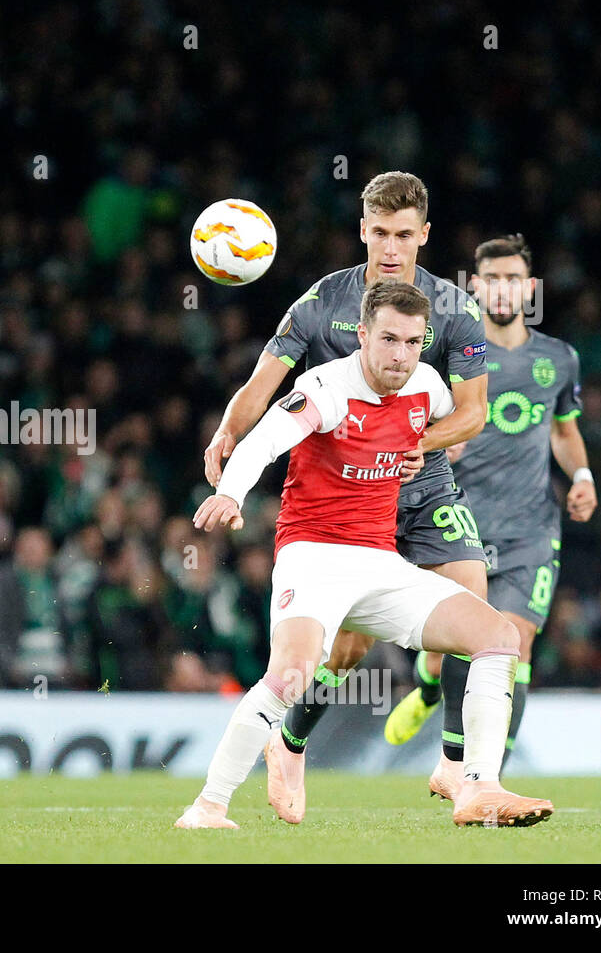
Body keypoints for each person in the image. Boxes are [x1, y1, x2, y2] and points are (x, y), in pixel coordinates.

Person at [176, 280, 552, 828]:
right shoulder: (325, 388)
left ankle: (478, 787)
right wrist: (231, 492)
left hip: (379, 563)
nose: (400, 355)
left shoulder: (426, 385)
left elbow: (461, 423)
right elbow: (263, 440)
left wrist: (439, 444)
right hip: (314, 557)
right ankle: (208, 806)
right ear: (363, 335)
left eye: (412, 342)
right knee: (289, 675)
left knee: (499, 637)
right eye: (389, 340)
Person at [201, 171, 490, 822]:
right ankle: (292, 743)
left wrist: (425, 438)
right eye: (380, 233)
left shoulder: (454, 311)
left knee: (473, 593)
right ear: (363, 230)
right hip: (349, 498)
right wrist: (228, 428)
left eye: (404, 235)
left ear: (424, 235)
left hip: (424, 478)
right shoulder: (319, 302)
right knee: (346, 652)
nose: (391, 247)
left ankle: (453, 765)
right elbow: (263, 383)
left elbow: (475, 413)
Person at [384, 235, 597, 794]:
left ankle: (483, 779)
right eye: (491, 279)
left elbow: (565, 432)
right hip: (461, 526)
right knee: (450, 649)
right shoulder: (453, 353)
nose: (502, 289)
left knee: (513, 645)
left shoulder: (558, 358)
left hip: (531, 530)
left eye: (513, 279)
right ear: (474, 287)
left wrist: (581, 477)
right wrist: (436, 440)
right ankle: (430, 687)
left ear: (529, 288)